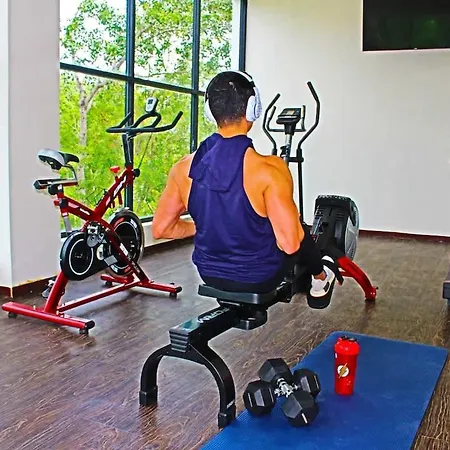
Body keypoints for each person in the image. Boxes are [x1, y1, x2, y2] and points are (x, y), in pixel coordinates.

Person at [152, 70, 338, 308]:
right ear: (252, 108)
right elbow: (290, 244)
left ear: (210, 112)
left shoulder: (183, 168)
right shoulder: (270, 169)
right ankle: (320, 278)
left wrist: (208, 226)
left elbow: (161, 229)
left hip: (208, 273)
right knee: (296, 227)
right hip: (260, 277)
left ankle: (318, 276)